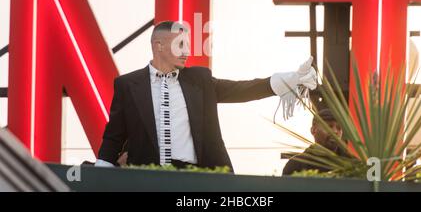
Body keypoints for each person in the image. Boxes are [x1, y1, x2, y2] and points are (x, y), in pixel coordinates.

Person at [96, 21, 317, 171]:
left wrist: (289, 79)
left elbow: (240, 90)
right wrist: (100, 174)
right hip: (147, 178)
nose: (186, 52)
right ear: (159, 46)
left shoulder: (199, 79)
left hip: (195, 177)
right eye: (179, 44)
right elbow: (114, 136)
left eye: (188, 45)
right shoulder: (127, 84)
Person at [282, 108, 344, 175]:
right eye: (328, 126)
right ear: (313, 130)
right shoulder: (296, 165)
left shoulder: (352, 164)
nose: (335, 131)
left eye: (339, 128)